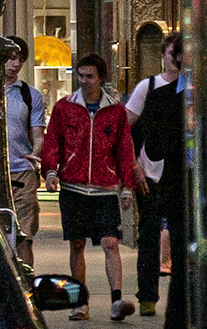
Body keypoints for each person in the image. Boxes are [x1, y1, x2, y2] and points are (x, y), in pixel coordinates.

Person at [41, 52, 138, 321]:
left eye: (90, 76)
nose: (84, 81)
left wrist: (126, 186)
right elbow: (53, 142)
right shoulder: (64, 108)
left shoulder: (115, 111)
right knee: (77, 244)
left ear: (101, 78)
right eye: (81, 76)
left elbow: (124, 150)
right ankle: (80, 301)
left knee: (110, 242)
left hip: (105, 187)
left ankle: (116, 300)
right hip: (74, 186)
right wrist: (51, 171)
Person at [128, 33, 187, 323]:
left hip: (180, 171)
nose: (178, 59)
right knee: (149, 233)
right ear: (164, 54)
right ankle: (148, 296)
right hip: (150, 169)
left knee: (179, 236)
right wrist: (133, 165)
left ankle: (179, 299)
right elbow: (124, 126)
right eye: (174, 52)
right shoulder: (147, 87)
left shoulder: (190, 87)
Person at [4, 37, 49, 269]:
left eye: (20, 60)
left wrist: (36, 151)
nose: (15, 65)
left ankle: (27, 289)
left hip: (22, 172)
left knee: (24, 237)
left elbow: (38, 131)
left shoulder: (29, 95)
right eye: (11, 58)